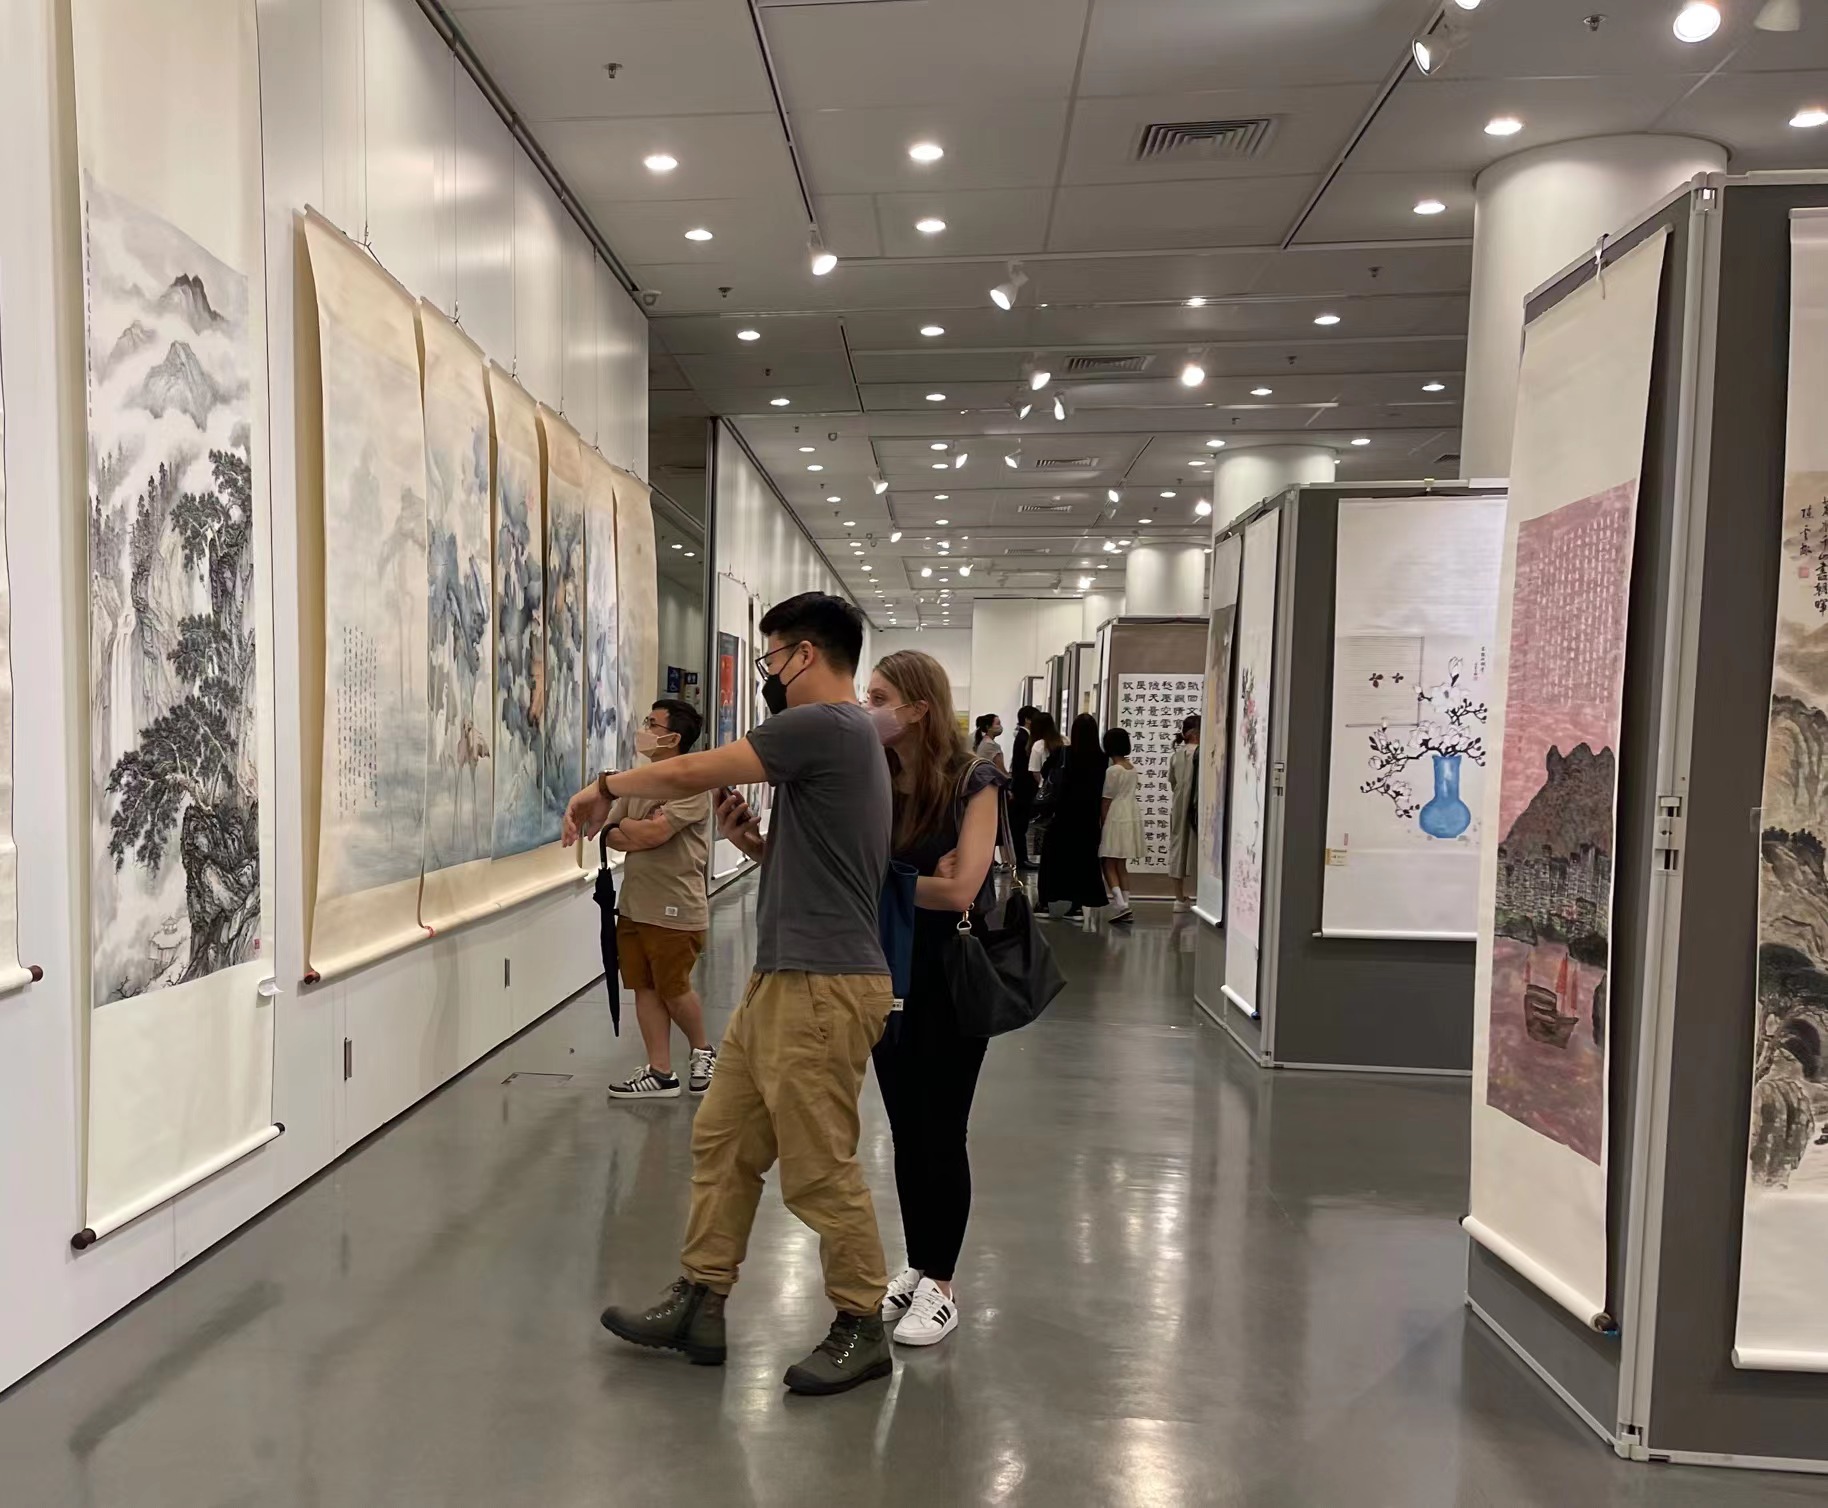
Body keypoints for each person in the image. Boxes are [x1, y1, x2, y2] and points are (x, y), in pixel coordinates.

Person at [565, 591, 897, 1397]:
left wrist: (605, 784)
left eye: (771, 657)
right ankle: (701, 1298)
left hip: (822, 983)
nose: (768, 674)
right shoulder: (843, 739)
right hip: (786, 977)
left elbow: (692, 767)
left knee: (817, 1167)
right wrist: (754, 842)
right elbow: (828, 866)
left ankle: (862, 1323)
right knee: (723, 1141)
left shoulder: (829, 723)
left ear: (805, 655)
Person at [864, 652, 1002, 1347]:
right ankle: (919, 1263)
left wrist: (888, 883)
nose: (868, 709)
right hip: (884, 974)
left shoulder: (974, 781)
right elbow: (848, 871)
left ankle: (942, 1284)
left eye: (879, 697)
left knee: (942, 1128)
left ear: (918, 708)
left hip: (949, 975)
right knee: (905, 1128)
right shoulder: (877, 778)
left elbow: (960, 891)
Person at [602, 700, 717, 1100]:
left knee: (674, 988)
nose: (645, 729)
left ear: (673, 738)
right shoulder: (638, 781)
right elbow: (609, 831)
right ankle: (660, 1071)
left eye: (653, 724)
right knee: (644, 987)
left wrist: (630, 828)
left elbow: (654, 835)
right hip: (635, 904)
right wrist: (631, 826)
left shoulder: (691, 785)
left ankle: (703, 1051)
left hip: (676, 907)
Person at [1038, 713, 1108, 921]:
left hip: (1062, 815)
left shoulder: (1063, 753)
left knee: (1052, 859)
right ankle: (1077, 906)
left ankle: (1045, 903)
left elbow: (1045, 772)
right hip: (1088, 818)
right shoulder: (1102, 759)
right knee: (1083, 861)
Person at [1099, 727, 1143, 926]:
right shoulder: (1131, 768)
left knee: (1108, 862)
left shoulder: (1113, 770)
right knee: (1121, 864)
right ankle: (1126, 904)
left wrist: (1103, 823)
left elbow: (1106, 800)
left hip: (1115, 816)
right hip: (1130, 814)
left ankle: (1120, 905)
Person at [1024, 709, 1065, 868]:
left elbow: (1035, 771)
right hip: (1064, 792)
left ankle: (1043, 860)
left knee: (1041, 828)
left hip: (1047, 794)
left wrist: (1043, 786)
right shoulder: (1065, 740)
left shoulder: (1038, 745)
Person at [1168, 714, 1201, 912]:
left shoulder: (1176, 756)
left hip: (1179, 805)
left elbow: (1172, 782)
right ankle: (1204, 897)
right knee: (1200, 849)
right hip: (1199, 805)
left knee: (1177, 847)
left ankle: (1179, 898)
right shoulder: (1204, 753)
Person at [1008, 706, 1040, 870]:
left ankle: (1021, 858)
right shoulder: (1023, 738)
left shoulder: (1023, 736)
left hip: (1022, 788)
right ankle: (1021, 859)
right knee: (1020, 826)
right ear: (1027, 719)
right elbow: (1021, 767)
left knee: (1021, 825)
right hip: (1023, 789)